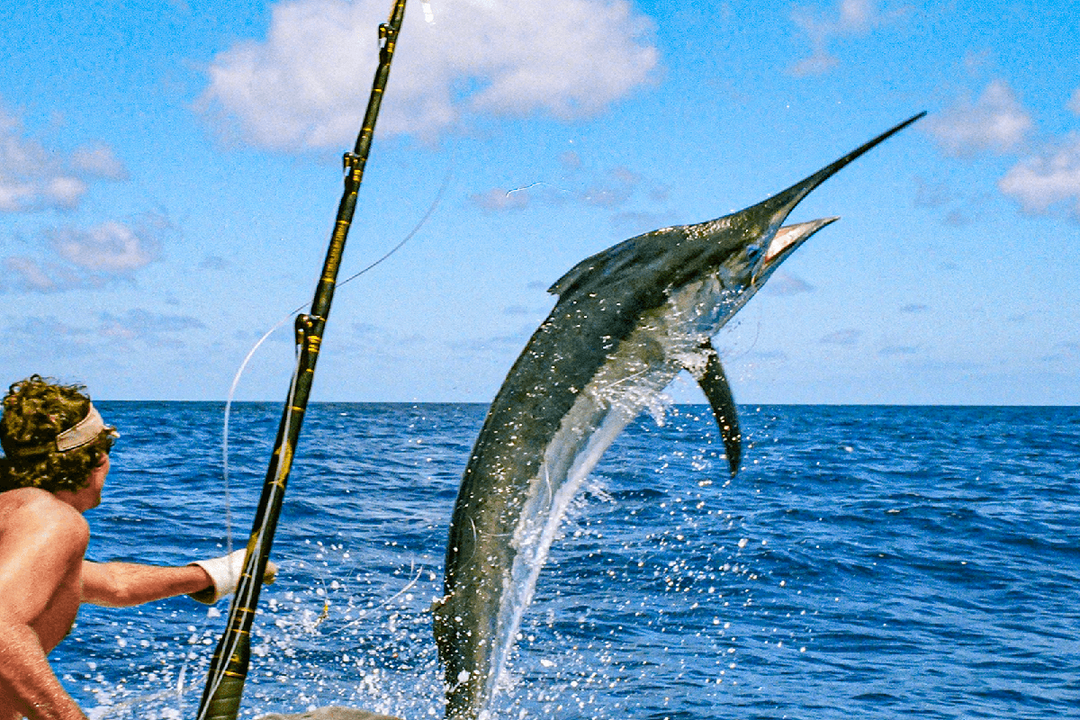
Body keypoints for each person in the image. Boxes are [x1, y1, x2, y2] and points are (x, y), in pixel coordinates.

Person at [0, 375, 275, 720]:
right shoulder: (52, 519)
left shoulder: (14, 514)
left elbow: (115, 584)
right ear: (96, 457)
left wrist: (217, 574)